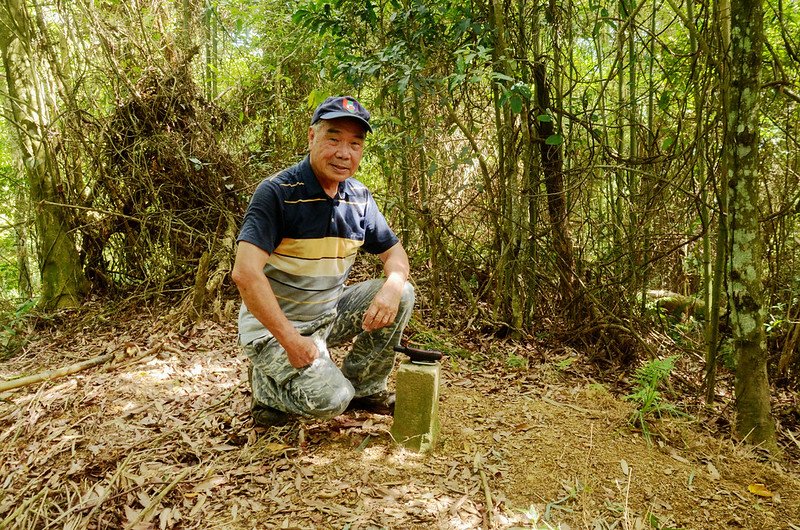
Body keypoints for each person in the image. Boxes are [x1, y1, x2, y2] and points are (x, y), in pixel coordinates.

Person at [232, 95, 415, 427]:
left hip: (326, 317)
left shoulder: (358, 198)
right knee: (332, 399)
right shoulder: (277, 192)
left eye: (354, 144)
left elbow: (396, 255)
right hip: (274, 331)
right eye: (334, 139)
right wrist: (289, 340)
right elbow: (245, 273)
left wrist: (392, 286)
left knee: (402, 292)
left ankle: (365, 387)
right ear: (312, 137)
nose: (344, 152)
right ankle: (265, 390)